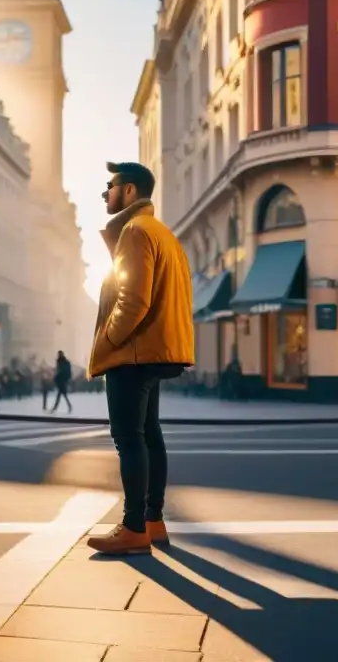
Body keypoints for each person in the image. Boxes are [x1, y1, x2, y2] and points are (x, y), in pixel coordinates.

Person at [85, 161, 195, 556]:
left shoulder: (134, 231)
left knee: (128, 438)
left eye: (109, 187)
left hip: (132, 352)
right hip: (156, 350)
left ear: (129, 191)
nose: (106, 195)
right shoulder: (162, 232)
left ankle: (133, 528)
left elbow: (134, 298)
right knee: (150, 434)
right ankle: (153, 520)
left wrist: (111, 340)